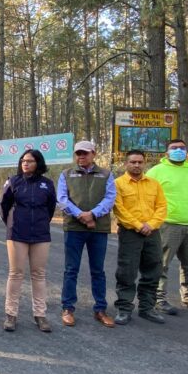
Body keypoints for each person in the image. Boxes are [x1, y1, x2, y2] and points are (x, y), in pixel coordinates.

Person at [145, 139, 188, 315]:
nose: (179, 151)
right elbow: (146, 197)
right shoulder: (156, 172)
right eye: (174, 148)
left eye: (182, 148)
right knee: (162, 263)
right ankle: (159, 299)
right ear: (166, 152)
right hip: (168, 224)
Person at [56, 140, 116, 328]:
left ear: (94, 154)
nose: (81, 157)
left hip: (98, 229)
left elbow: (110, 198)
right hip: (74, 228)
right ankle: (68, 308)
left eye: (85, 153)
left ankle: (100, 309)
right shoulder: (66, 174)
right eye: (78, 154)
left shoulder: (106, 174)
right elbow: (62, 200)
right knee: (71, 269)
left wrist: (93, 214)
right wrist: (81, 215)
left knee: (98, 270)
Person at [0, 149, 57, 333]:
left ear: (38, 163)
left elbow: (50, 208)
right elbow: (4, 206)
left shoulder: (47, 184)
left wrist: (39, 222)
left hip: (40, 234)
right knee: (15, 274)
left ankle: (40, 315)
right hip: (17, 232)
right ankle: (11, 315)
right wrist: (12, 224)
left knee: (39, 274)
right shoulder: (13, 181)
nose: (25, 163)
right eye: (23, 160)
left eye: (30, 161)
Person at [112, 150, 168, 325]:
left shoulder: (154, 184)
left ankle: (147, 308)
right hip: (130, 233)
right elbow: (119, 209)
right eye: (133, 162)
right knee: (127, 271)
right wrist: (138, 225)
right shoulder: (117, 184)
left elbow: (162, 207)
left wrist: (150, 225)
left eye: (140, 162)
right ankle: (124, 308)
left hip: (152, 232)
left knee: (153, 269)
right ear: (126, 163)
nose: (136, 165)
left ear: (144, 164)